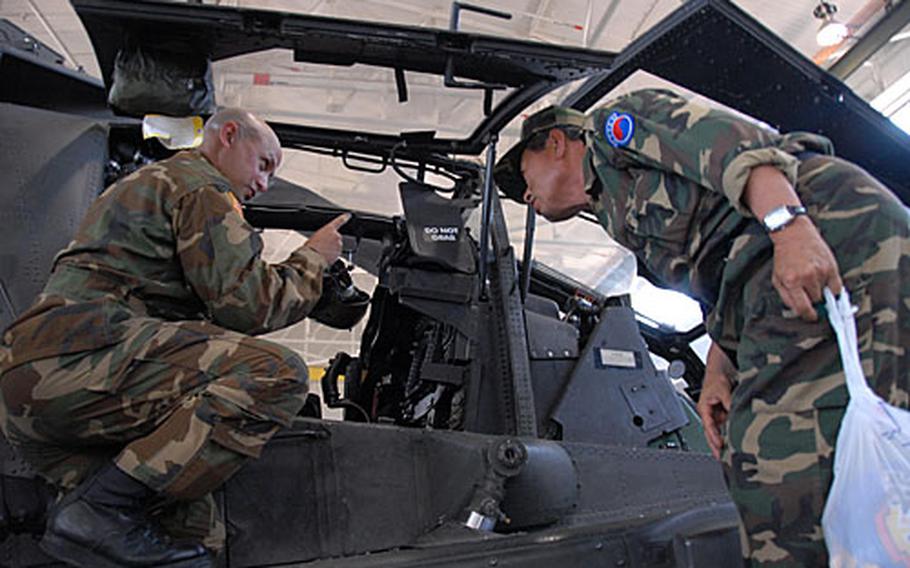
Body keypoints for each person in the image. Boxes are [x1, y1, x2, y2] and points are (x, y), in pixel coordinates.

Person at [494, 89, 909, 566]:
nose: (526, 196)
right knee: (804, 448)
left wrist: (789, 227)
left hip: (831, 232)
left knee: (772, 461)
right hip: (768, 280)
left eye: (523, 177)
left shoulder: (615, 130)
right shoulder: (612, 209)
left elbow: (740, 150)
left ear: (557, 144)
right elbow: (717, 277)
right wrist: (718, 369)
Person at [0, 108, 350, 567]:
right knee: (276, 373)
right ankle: (101, 508)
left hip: (50, 387)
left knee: (189, 539)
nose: (264, 183)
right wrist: (313, 259)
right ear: (228, 135)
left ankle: (102, 509)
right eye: (264, 164)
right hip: (78, 361)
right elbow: (247, 304)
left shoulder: (156, 183)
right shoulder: (200, 186)